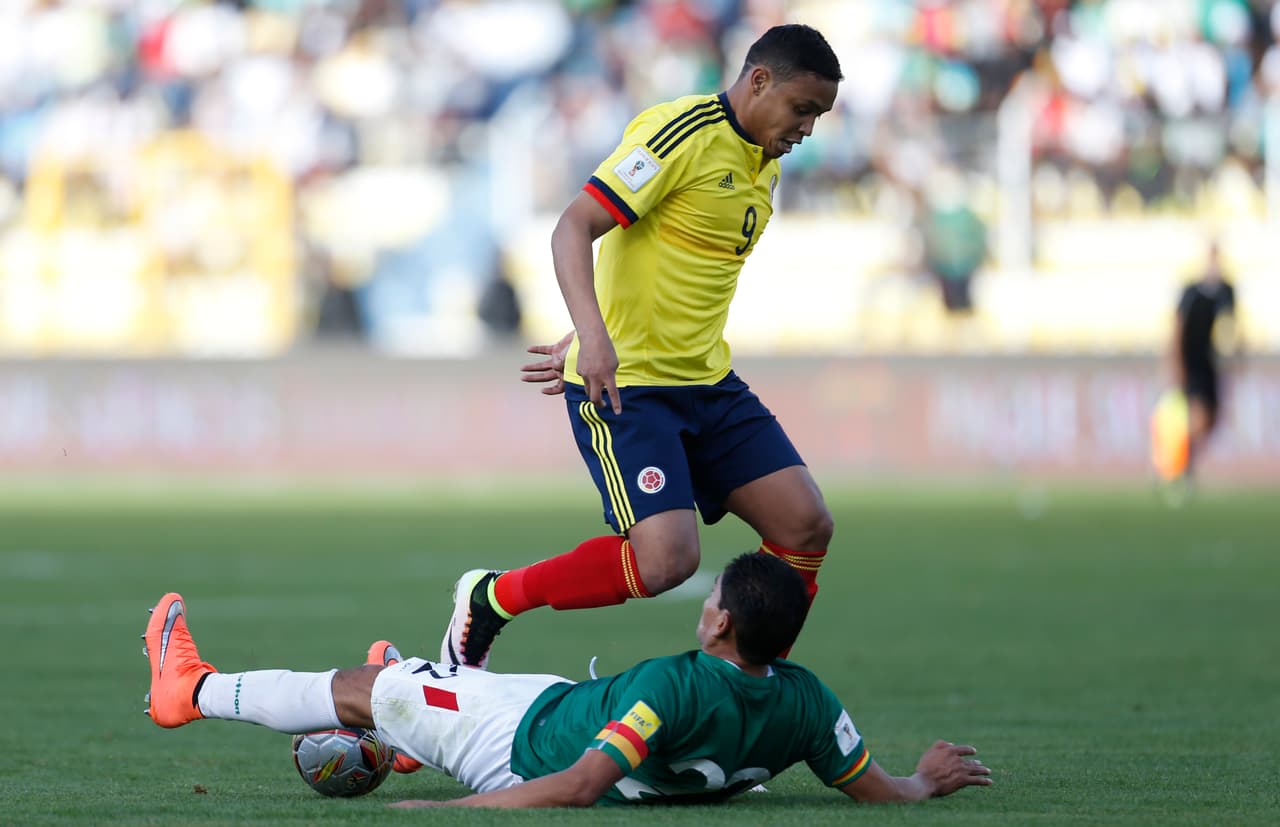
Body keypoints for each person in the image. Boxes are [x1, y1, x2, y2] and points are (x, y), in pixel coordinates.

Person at [441, 23, 844, 670]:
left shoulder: (761, 166)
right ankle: (493, 596)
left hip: (709, 383)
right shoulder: (678, 133)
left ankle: (741, 683)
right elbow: (574, 227)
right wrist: (596, 340)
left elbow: (666, 266)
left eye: (819, 116)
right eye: (803, 109)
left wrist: (600, 321)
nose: (808, 129)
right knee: (666, 562)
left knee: (805, 525)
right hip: (630, 388)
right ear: (760, 80)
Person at [142, 553, 992, 808]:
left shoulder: (678, 682)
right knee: (430, 686)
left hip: (515, 748)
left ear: (719, 621)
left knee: (371, 688)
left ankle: (190, 689)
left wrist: (448, 809)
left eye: (713, 602)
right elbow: (878, 788)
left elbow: (581, 784)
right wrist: (926, 779)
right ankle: (419, 715)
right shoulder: (806, 698)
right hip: (554, 702)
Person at [1166, 240, 1240, 480]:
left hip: (1210, 362)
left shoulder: (1226, 291)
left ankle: (1183, 460)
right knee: (1198, 415)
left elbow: (1233, 326)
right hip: (1192, 359)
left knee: (1212, 420)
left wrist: (1237, 354)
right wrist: (1176, 363)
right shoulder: (1191, 292)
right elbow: (1177, 329)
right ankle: (1178, 463)